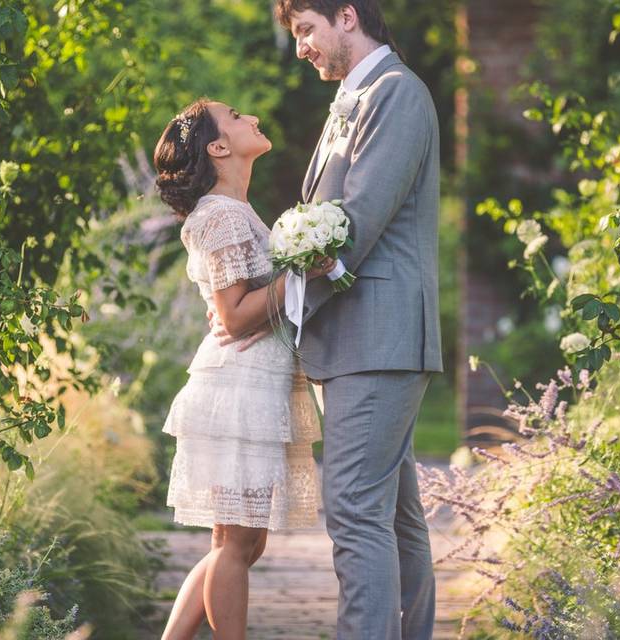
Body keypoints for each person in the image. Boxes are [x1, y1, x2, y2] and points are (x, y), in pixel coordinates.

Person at [274, 1, 444, 638]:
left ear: (348, 16)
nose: (302, 49)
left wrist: (269, 287)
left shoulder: (396, 93)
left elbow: (353, 226)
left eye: (306, 31)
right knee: (392, 519)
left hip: (379, 337)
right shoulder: (355, 95)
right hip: (362, 339)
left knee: (352, 513)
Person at [153, 98, 333, 640]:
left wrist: (295, 270)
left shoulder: (233, 209)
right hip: (239, 385)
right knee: (235, 544)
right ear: (218, 146)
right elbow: (234, 315)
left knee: (240, 543)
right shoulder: (222, 214)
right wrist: (302, 269)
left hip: (256, 382)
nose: (252, 118)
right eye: (236, 117)